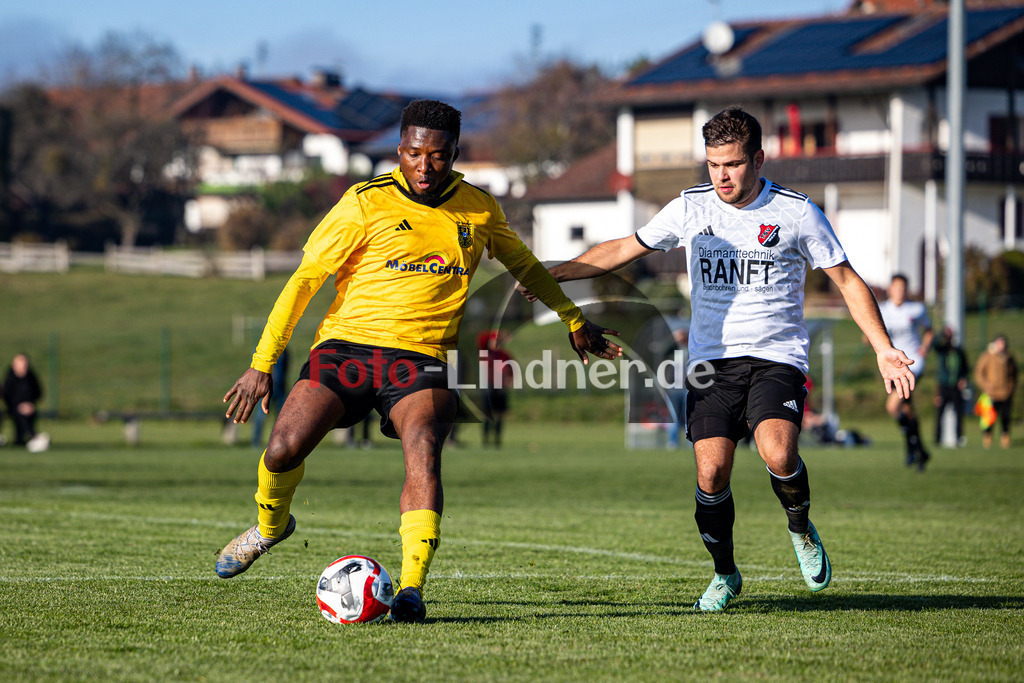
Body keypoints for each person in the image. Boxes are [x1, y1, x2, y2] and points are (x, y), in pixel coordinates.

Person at [216, 99, 621, 623]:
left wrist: (573, 318)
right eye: (412, 154)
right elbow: (303, 283)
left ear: (455, 153)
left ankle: (410, 589)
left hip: (421, 357)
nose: (424, 167)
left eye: (437, 156)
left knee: (424, 448)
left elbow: (525, 265)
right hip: (347, 348)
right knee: (282, 449)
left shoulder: (478, 208)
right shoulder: (363, 202)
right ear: (399, 150)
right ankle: (270, 529)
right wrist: (262, 363)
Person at [521, 106, 917, 611]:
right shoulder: (691, 208)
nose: (721, 176)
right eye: (713, 164)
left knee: (778, 454)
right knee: (711, 474)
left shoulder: (797, 212)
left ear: (758, 159)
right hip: (711, 363)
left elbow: (847, 280)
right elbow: (624, 248)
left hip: (776, 357)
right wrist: (554, 272)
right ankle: (726, 574)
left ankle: (800, 528)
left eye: (732, 164)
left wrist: (883, 348)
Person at [878, 274, 933, 468]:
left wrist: (924, 348)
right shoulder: (883, 310)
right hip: (893, 366)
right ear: (890, 289)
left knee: (893, 406)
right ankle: (919, 451)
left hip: (913, 364)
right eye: (896, 287)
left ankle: (913, 448)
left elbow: (929, 330)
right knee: (907, 410)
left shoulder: (916, 309)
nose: (900, 291)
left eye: (903, 288)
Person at [974, 334, 1017, 448]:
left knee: (1005, 416)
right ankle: (987, 436)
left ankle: (1005, 436)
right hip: (991, 393)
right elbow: (978, 372)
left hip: (1005, 392)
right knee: (989, 417)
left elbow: (1014, 374)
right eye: (999, 343)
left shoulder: (1008, 356)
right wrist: (985, 385)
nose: (1001, 345)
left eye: (1003, 343)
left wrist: (1011, 387)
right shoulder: (987, 355)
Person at [931, 326, 969, 447]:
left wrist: (963, 378)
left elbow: (965, 368)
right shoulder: (943, 350)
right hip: (943, 387)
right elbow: (935, 345)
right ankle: (937, 439)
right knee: (939, 414)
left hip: (956, 387)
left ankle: (958, 438)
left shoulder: (959, 351)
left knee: (958, 413)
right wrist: (941, 333)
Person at [477, 330, 514, 447]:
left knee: (500, 414)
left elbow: (511, 369)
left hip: (501, 387)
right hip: (489, 386)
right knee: (487, 414)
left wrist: (510, 379)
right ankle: (485, 439)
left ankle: (497, 439)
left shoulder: (505, 355)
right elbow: (480, 339)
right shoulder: (486, 354)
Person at [3, 353, 44, 448]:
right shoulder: (10, 378)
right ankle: (33, 436)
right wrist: (17, 406)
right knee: (18, 413)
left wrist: (30, 404)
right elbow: (6, 395)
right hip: (12, 407)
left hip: (29, 407)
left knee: (27, 414)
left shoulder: (31, 377)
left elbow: (38, 393)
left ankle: (31, 437)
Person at [251, 347, 289, 448]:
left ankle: (278, 443)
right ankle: (256, 442)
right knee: (260, 416)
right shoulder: (262, 349)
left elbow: (286, 368)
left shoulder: (284, 351)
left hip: (280, 388)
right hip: (265, 388)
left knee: (281, 418)